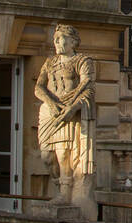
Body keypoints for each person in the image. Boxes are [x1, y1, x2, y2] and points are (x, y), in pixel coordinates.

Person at [35, 24, 95, 207]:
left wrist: (74, 107)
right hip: (50, 112)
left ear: (73, 41)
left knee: (63, 155)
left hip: (69, 111)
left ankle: (64, 194)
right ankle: (58, 188)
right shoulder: (50, 62)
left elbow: (88, 88)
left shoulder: (82, 61)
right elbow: (38, 87)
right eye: (55, 39)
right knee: (46, 155)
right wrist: (52, 103)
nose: (57, 42)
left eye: (61, 38)